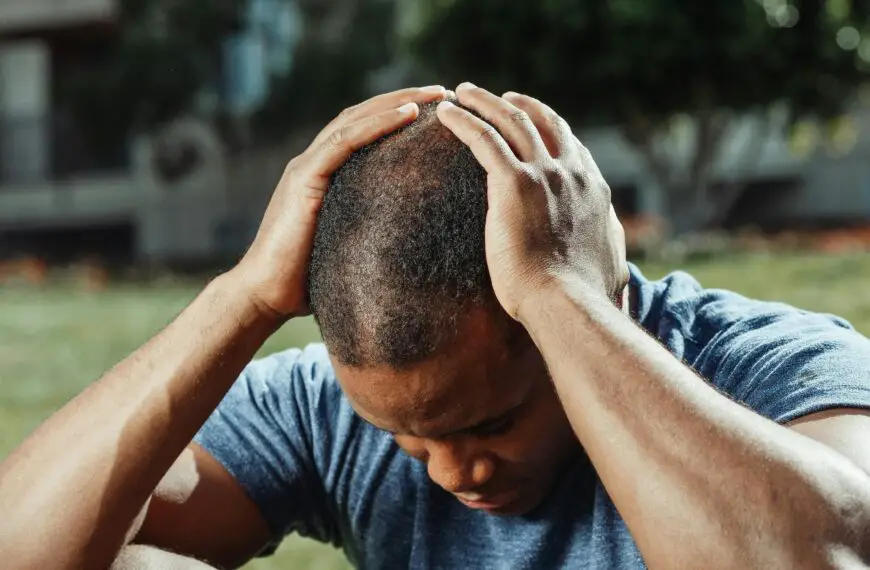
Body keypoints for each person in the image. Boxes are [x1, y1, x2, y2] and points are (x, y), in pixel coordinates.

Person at [2, 83, 870, 570]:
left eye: (490, 422)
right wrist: (245, 298)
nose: (457, 471)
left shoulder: (774, 367)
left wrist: (560, 298)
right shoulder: (332, 410)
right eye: (411, 442)